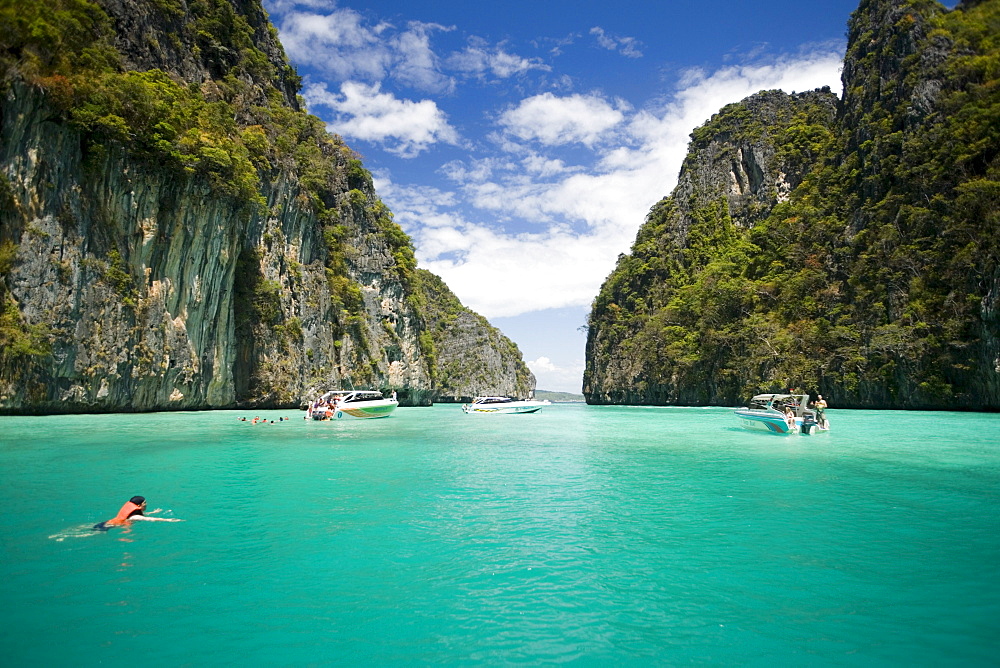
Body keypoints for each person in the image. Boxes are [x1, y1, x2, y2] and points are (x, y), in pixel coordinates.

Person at [93, 496, 182, 531]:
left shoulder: (134, 514)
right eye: (145, 503)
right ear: (139, 505)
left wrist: (153, 512)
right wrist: (169, 520)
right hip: (106, 527)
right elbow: (150, 519)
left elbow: (143, 515)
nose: (146, 504)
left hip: (106, 523)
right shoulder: (134, 517)